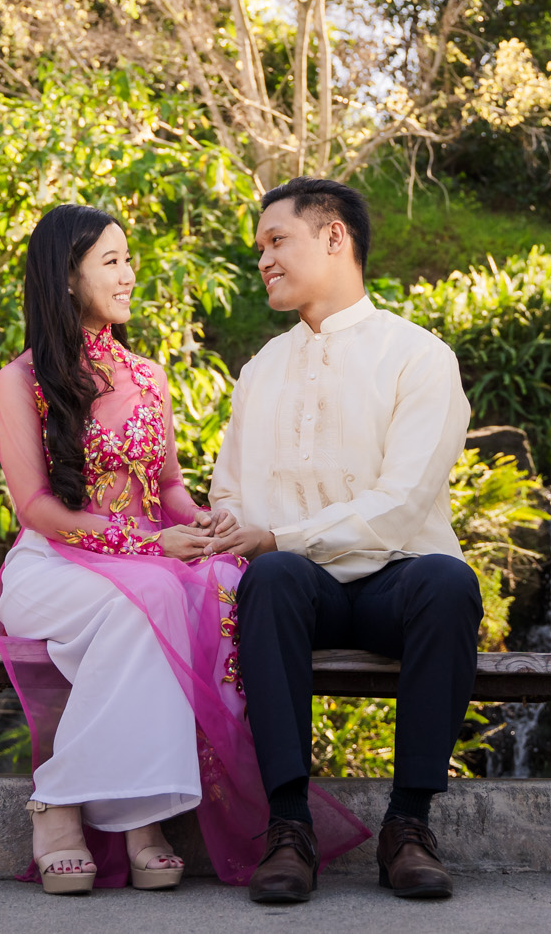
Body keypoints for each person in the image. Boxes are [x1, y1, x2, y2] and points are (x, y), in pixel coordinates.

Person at [0, 203, 365, 894]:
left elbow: (170, 487)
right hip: (54, 565)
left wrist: (207, 527)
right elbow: (39, 509)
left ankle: (139, 811)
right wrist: (152, 544)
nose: (128, 274)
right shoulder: (20, 380)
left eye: (128, 259)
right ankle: (61, 802)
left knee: (224, 580)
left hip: (142, 561)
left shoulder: (147, 377)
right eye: (111, 261)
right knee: (153, 593)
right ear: (65, 278)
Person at [206, 177, 478, 904]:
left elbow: (401, 504)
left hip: (397, 581)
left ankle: (409, 824)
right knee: (271, 579)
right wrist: (223, 529)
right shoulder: (261, 369)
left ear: (335, 237)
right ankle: (290, 827)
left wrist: (276, 534)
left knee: (449, 582)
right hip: (305, 589)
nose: (262, 259)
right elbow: (228, 489)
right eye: (258, 248)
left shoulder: (419, 356)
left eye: (276, 241)